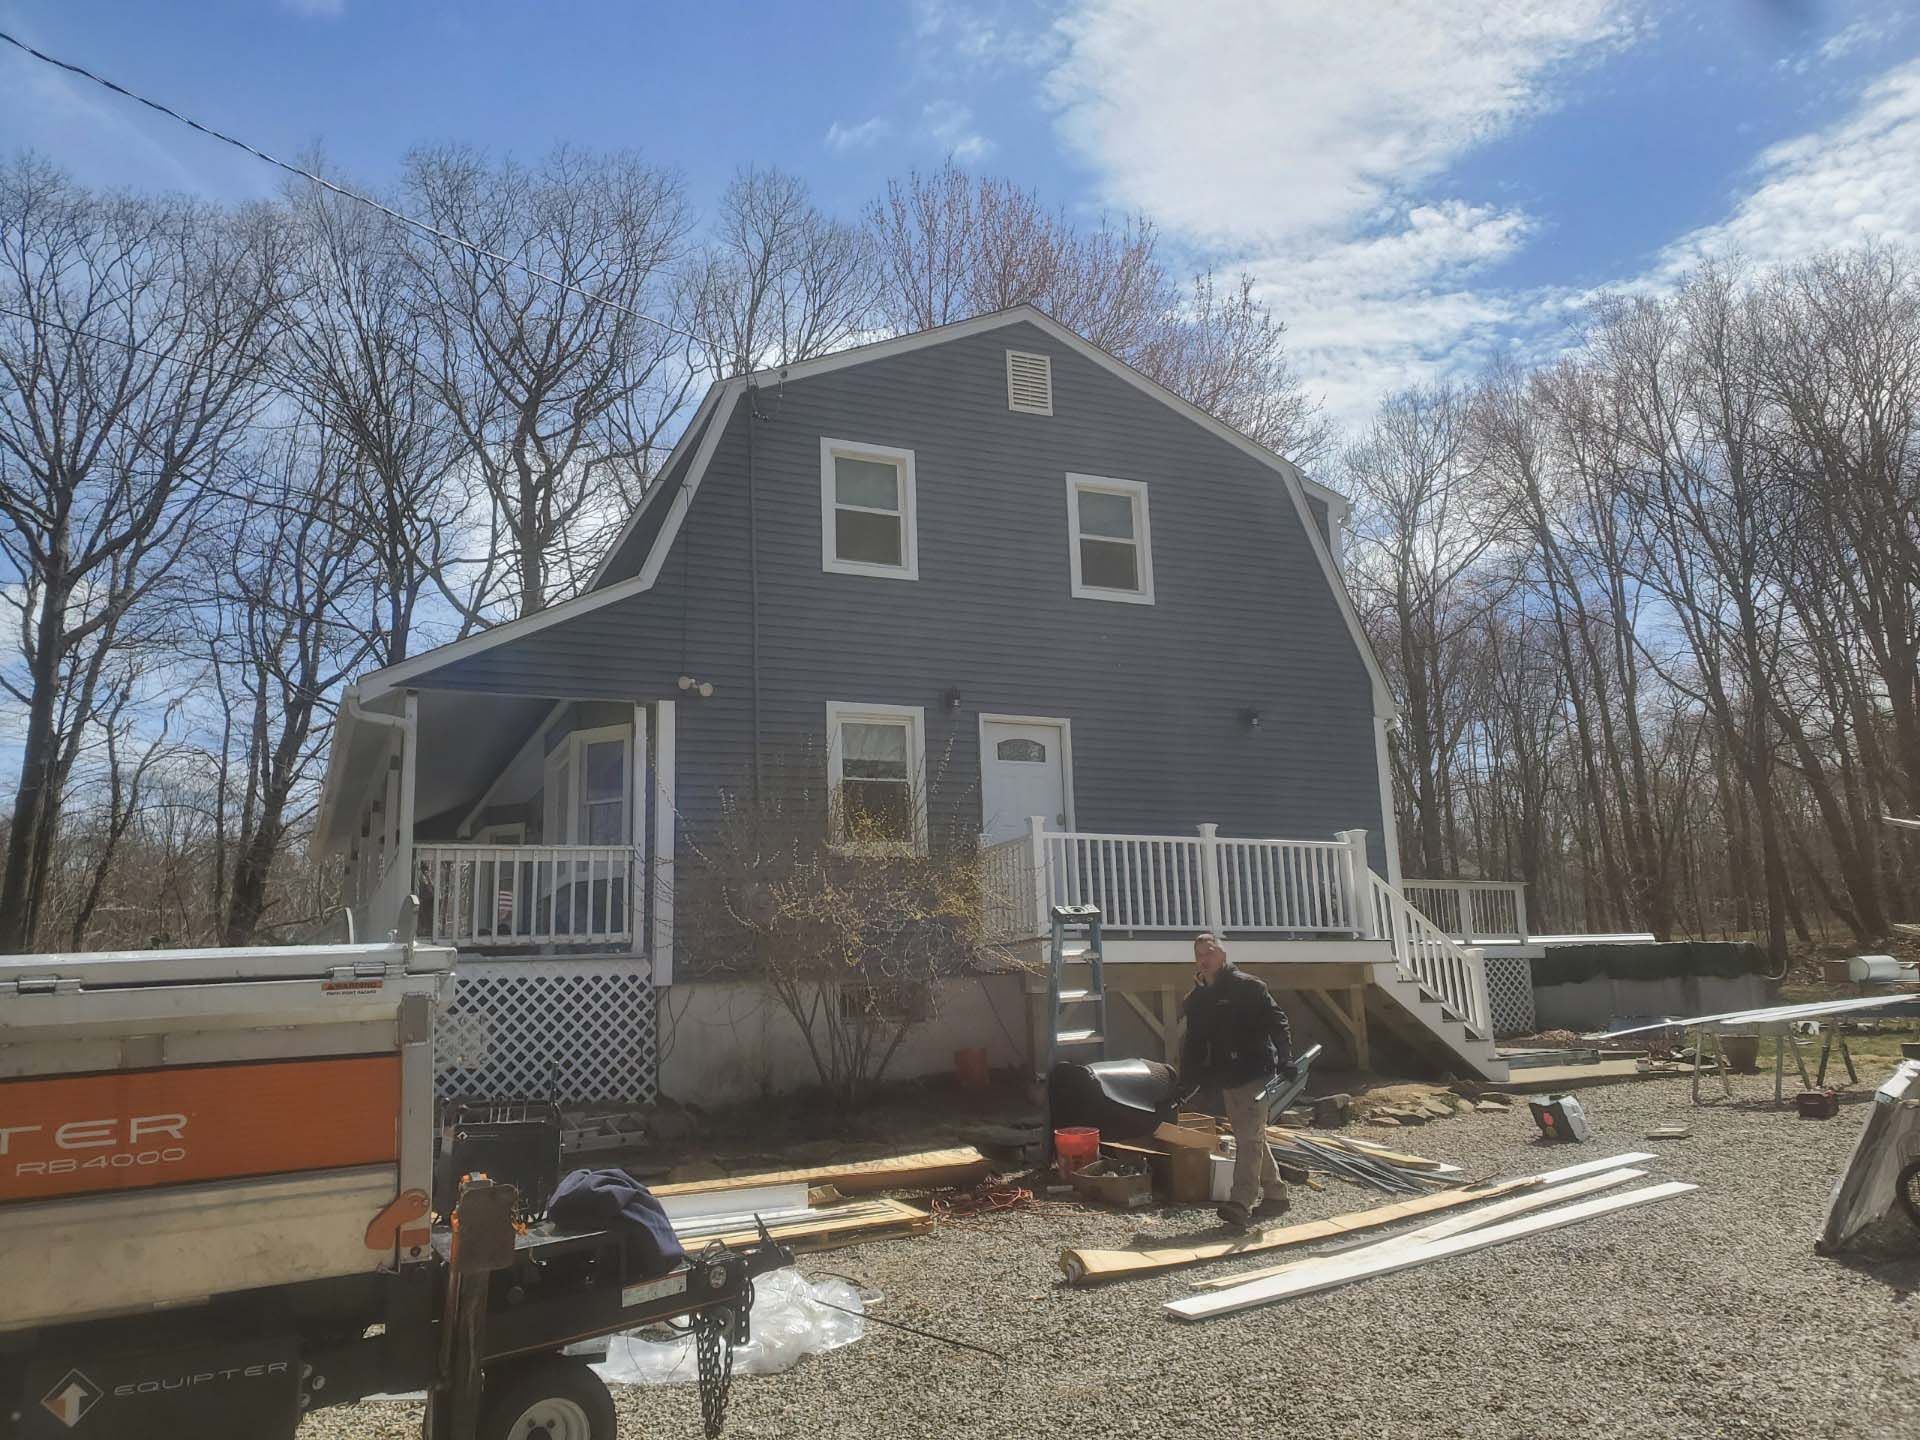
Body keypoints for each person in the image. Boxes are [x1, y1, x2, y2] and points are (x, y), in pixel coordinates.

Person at [1178, 932, 1295, 1231]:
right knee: (1251, 1134)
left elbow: (1277, 1020)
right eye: (1199, 954)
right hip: (1226, 1074)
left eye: (1210, 951)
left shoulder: (1248, 987)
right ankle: (1277, 1195)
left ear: (1223, 955)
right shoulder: (1197, 999)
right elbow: (1193, 1042)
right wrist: (1189, 1079)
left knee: (1249, 1138)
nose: (1205, 958)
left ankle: (1240, 1202)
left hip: (1254, 1070)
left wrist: (1286, 1057)